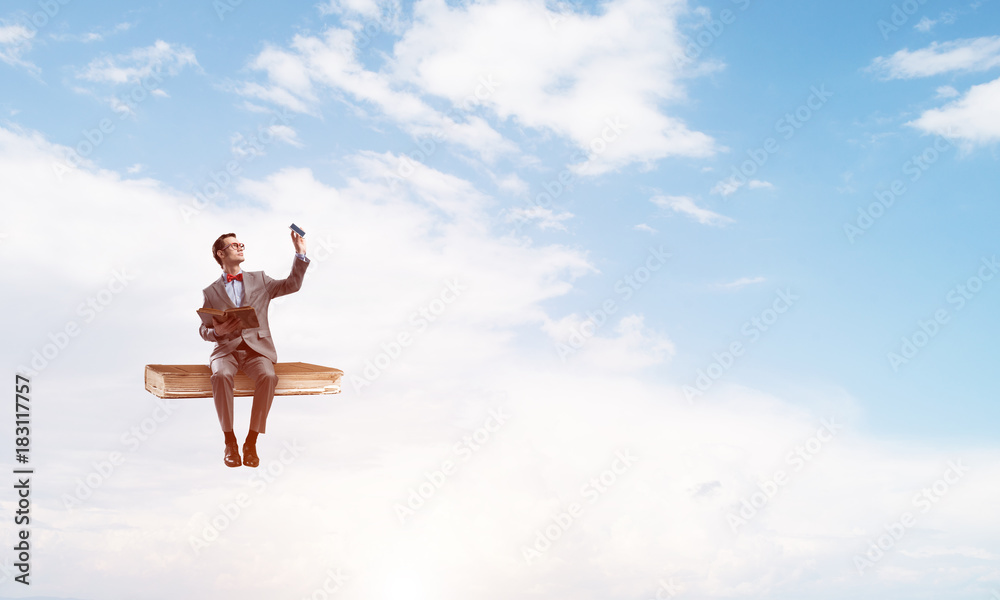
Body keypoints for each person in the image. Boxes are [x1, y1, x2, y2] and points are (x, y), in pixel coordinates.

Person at [199, 231, 309, 467]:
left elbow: (292, 285)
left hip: (256, 351)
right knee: (220, 376)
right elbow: (203, 330)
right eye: (234, 245)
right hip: (225, 351)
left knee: (269, 377)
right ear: (221, 253)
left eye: (241, 244)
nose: (241, 247)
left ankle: (251, 441)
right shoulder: (210, 292)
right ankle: (230, 441)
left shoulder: (260, 279)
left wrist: (300, 254)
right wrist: (217, 332)